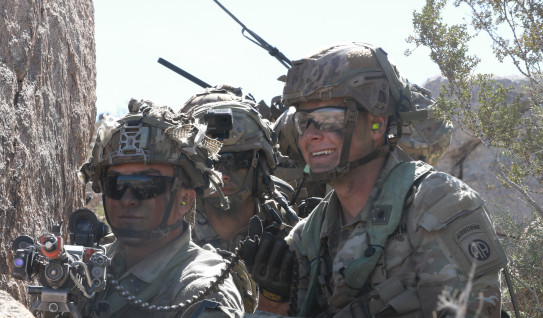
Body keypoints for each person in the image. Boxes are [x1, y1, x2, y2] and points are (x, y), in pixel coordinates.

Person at [242, 42, 507, 317]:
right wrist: (272, 303)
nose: (310, 135)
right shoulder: (310, 234)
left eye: (328, 119)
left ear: (378, 125)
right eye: (303, 122)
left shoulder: (437, 206)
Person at [79, 99, 246, 317]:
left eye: (146, 186)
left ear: (184, 200)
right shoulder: (90, 264)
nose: (128, 199)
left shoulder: (202, 289)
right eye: (116, 185)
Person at [187, 100, 299, 256]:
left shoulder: (293, 232)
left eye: (237, 161)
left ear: (261, 166)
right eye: (209, 164)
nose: (222, 176)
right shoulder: (173, 236)